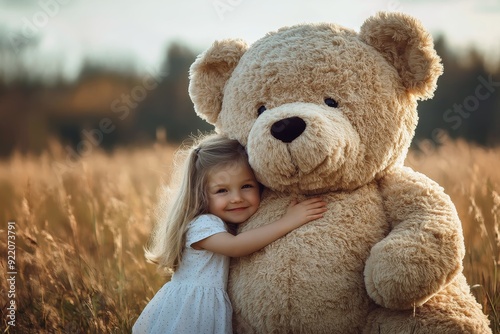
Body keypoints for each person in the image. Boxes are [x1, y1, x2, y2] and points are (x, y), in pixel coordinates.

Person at [132, 134, 327, 334]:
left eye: (246, 186)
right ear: (200, 195)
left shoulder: (220, 223)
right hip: (190, 311)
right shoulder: (202, 224)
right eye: (222, 191)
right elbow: (236, 246)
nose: (236, 198)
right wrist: (288, 221)